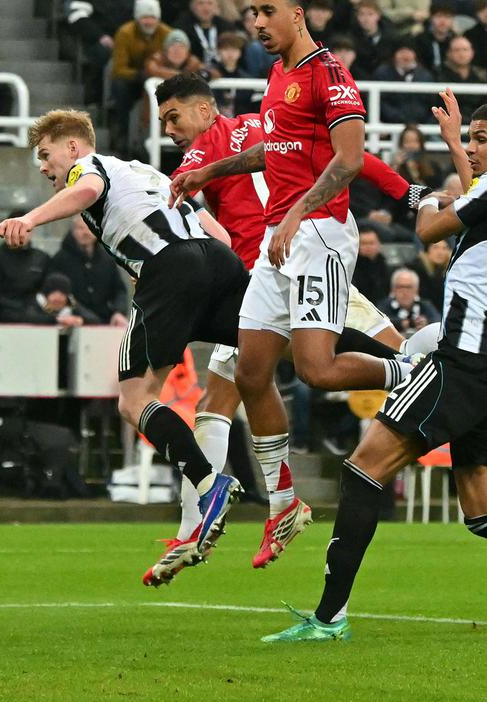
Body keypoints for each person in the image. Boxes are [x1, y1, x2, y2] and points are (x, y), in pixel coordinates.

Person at [169, 3, 424, 580]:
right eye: (250, 13)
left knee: (317, 370)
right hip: (277, 243)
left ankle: (413, 373)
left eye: (266, 11)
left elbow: (351, 159)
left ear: (297, 13)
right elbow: (278, 150)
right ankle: (284, 503)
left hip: (321, 233)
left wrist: (295, 215)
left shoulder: (330, 74)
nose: (256, 23)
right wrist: (211, 172)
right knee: (250, 373)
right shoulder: (277, 74)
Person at [0, 110, 266, 583]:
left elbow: (86, 192)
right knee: (277, 344)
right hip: (220, 262)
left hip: (168, 269)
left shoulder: (90, 169)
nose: (44, 168)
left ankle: (209, 485)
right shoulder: (148, 171)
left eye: (46, 155)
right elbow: (220, 233)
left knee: (133, 399)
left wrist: (32, 217)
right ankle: (396, 363)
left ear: (74, 148)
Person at [261, 107, 487, 644]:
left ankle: (330, 617)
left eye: (482, 140)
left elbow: (432, 227)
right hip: (481, 368)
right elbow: (474, 194)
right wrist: (455, 143)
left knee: (363, 470)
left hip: (460, 363)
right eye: (474, 140)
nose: (473, 151)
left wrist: (427, 195)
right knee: (479, 508)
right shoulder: (483, 195)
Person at [110, 1, 171, 149]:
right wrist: (140, 75)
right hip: (134, 80)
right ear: (137, 18)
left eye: (152, 17)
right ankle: (122, 133)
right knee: (120, 85)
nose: (149, 22)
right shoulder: (125, 33)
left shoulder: (167, 33)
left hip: (159, 78)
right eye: (145, 17)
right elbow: (118, 68)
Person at [46, 216, 129, 326]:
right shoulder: (60, 259)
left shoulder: (107, 260)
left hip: (105, 323)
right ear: (72, 231)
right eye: (80, 228)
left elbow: (119, 290)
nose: (85, 232)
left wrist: (119, 311)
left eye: (90, 228)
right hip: (71, 322)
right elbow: (58, 295)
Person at [0, 222, 50, 323]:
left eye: (27, 230)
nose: (23, 235)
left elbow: (46, 291)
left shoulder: (42, 258)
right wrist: (21, 307)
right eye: (18, 230)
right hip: (4, 316)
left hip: (35, 313)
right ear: (8, 232)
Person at [373, 42, 436, 126]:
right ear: (394, 54)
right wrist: (397, 118)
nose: (406, 56)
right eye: (402, 51)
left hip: (421, 127)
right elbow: (380, 102)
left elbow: (432, 104)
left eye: (409, 51)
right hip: (389, 126)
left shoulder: (426, 76)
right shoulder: (382, 73)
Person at [377, 267, 439, 337]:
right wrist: (402, 323)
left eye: (409, 287)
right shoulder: (385, 305)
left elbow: (438, 322)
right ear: (393, 289)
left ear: (416, 289)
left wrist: (426, 323)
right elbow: (378, 323)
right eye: (400, 287)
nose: (405, 292)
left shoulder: (425, 305)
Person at [436, 37, 487, 118]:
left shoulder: (481, 76)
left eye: (465, 49)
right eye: (457, 50)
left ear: (472, 53)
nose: (461, 54)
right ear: (448, 53)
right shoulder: (439, 75)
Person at [22, 273, 98, 327]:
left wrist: (81, 320)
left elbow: (94, 319)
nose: (58, 298)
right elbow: (29, 317)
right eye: (54, 294)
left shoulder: (71, 303)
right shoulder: (36, 303)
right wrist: (58, 320)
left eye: (62, 294)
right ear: (46, 295)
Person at [174, 0, 234, 65]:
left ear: (217, 7)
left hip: (222, 70)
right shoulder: (181, 28)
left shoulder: (226, 27)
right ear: (192, 7)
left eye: (210, 3)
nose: (206, 8)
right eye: (200, 3)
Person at [406, 238, 451, 310]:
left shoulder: (449, 272)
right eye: (435, 248)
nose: (440, 252)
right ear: (427, 251)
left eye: (444, 248)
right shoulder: (415, 269)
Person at [351, 225, 391, 304]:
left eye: (371, 243)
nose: (368, 247)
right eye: (364, 243)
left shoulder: (385, 266)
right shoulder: (352, 268)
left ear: (378, 244)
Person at [415, 1, 456, 73]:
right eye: (439, 16)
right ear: (431, 18)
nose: (443, 21)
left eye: (447, 17)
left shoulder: (455, 40)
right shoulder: (420, 40)